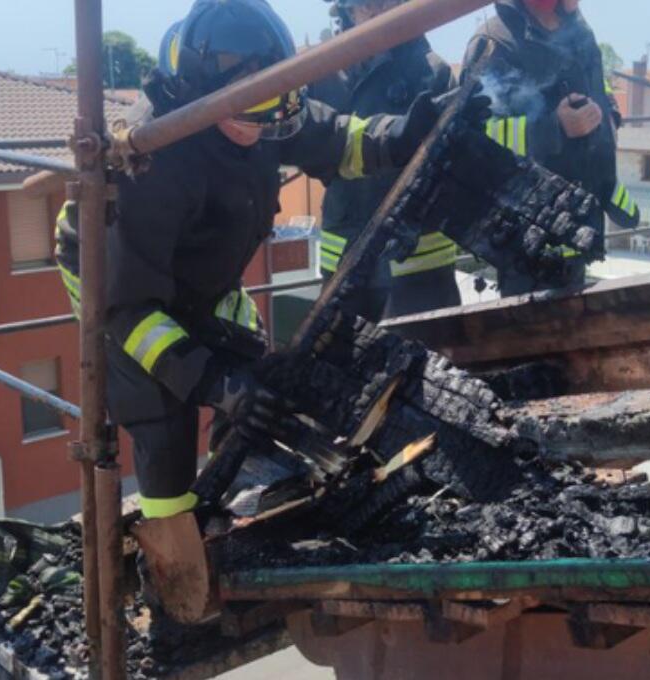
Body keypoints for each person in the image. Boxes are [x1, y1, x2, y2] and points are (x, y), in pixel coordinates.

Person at [54, 0, 485, 558]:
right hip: (118, 288)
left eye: (274, 115)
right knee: (162, 416)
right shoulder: (151, 164)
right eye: (252, 118)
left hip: (200, 275)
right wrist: (215, 385)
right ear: (205, 97)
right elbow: (129, 309)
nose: (264, 133)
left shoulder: (257, 109)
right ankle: (170, 564)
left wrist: (405, 132)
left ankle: (226, 505)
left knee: (260, 376)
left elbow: (337, 139)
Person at [463, 0, 640, 297]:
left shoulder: (579, 31)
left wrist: (610, 113)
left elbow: (597, 83)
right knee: (530, 338)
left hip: (581, 230)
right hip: (528, 245)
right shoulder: (494, 42)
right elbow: (473, 139)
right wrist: (553, 128)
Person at [312, 0, 460, 320]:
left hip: (420, 272)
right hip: (344, 268)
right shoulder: (324, 73)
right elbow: (310, 150)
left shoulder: (432, 72)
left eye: (386, 2)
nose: (377, 13)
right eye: (366, 5)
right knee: (340, 367)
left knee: (429, 367)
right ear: (348, 11)